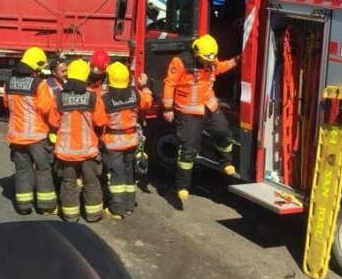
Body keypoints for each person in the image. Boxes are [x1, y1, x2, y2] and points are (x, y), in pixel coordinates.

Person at [163, 33, 240, 205]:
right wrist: (168, 109)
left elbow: (220, 67)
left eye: (210, 60)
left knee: (224, 133)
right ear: (197, 53)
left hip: (208, 106)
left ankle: (225, 162)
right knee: (188, 149)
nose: (208, 63)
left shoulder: (211, 60)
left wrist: (236, 60)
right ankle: (182, 186)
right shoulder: (181, 62)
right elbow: (170, 84)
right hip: (188, 110)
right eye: (205, 60)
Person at [48, 58, 109, 223]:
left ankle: (70, 216)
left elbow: (53, 122)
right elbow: (101, 121)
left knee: (68, 183)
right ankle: (93, 214)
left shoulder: (59, 97)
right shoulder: (92, 97)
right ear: (85, 76)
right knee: (91, 182)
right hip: (88, 151)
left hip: (66, 152)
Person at [4, 47, 57, 215]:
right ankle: (45, 205)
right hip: (37, 136)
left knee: (22, 170)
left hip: (16, 136)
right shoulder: (39, 85)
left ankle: (23, 206)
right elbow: (47, 109)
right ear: (36, 66)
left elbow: (6, 104)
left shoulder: (9, 82)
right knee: (43, 169)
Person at [100, 63, 153, 219]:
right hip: (131, 141)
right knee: (129, 172)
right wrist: (144, 87)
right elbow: (147, 103)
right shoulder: (135, 94)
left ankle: (117, 209)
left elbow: (99, 121)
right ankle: (129, 205)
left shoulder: (105, 99)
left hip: (113, 143)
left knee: (116, 176)